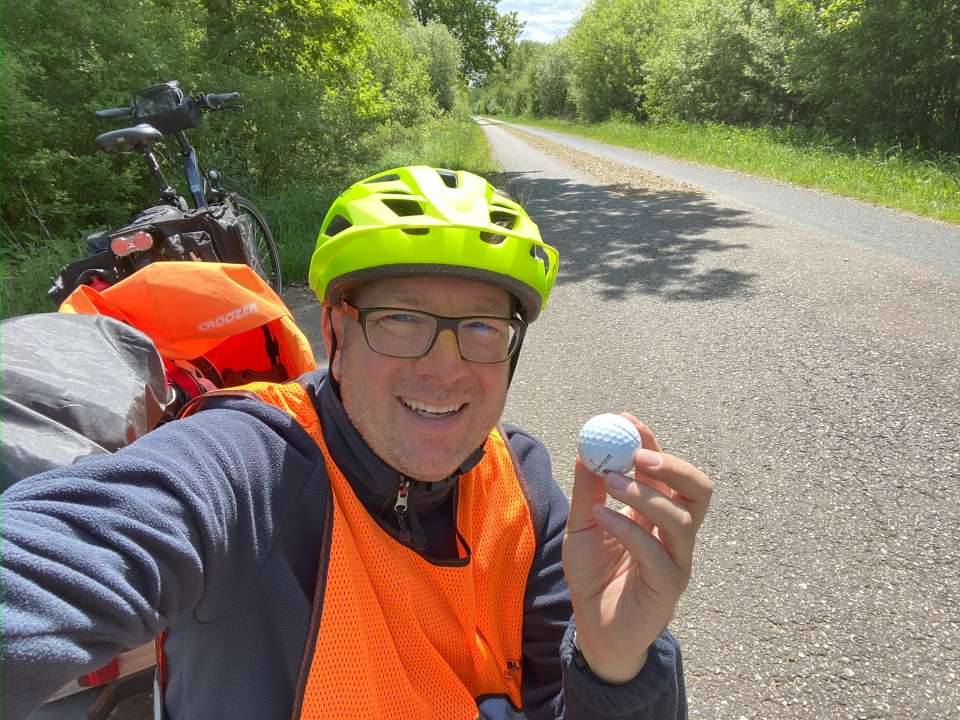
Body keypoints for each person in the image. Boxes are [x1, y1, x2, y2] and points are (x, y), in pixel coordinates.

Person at [2, 166, 713, 719]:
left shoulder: (523, 483)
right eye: (401, 320)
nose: (445, 365)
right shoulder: (251, 459)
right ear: (336, 333)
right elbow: (53, 561)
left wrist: (617, 663)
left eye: (483, 328)